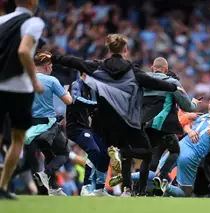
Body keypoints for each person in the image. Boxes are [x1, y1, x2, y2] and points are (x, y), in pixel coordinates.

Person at [38, 34, 183, 196]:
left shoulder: (99, 66)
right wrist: (172, 87)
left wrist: (54, 58)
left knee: (103, 150)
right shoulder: (130, 70)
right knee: (146, 153)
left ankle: (107, 175)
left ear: (109, 49)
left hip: (102, 120)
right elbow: (152, 82)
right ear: (125, 49)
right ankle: (127, 182)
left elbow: (76, 62)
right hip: (123, 119)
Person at [0, 0, 45, 200]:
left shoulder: (2, 20)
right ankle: (2, 186)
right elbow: (23, 50)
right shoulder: (34, 21)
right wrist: (34, 80)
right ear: (33, 2)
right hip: (21, 89)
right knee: (18, 139)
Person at [142, 57, 200, 188]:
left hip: (145, 123)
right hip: (164, 124)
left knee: (149, 156)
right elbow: (187, 106)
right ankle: (161, 176)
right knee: (175, 151)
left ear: (152, 68)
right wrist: (195, 103)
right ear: (166, 70)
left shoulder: (143, 80)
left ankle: (141, 188)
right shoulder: (172, 82)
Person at [26, 51, 72, 196]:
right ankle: (45, 174)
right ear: (46, 66)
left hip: (31, 128)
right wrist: (67, 91)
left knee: (49, 155)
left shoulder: (26, 80)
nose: (52, 68)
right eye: (51, 66)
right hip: (48, 126)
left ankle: (53, 188)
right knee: (64, 153)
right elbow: (68, 101)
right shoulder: (51, 80)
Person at [67, 72, 110, 196]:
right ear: (85, 74)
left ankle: (100, 189)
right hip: (75, 128)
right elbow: (76, 99)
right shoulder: (76, 84)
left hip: (87, 128)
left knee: (104, 152)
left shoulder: (91, 88)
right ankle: (86, 187)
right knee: (94, 150)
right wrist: (96, 104)